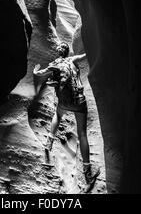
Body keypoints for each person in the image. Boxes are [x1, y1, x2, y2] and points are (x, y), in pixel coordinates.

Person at [33, 42, 100, 190]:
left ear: (58, 52)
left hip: (64, 102)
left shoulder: (54, 63)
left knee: (58, 114)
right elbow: (86, 55)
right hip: (79, 102)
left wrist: (35, 70)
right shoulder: (72, 59)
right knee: (82, 133)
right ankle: (88, 172)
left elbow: (39, 73)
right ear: (68, 52)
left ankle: (49, 141)